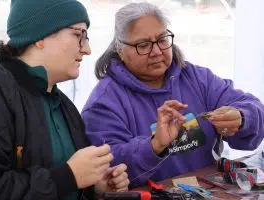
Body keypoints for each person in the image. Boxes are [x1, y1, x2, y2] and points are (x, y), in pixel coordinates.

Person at [81, 2, 264, 188]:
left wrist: (242, 117)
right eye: (143, 45)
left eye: (162, 40)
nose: (157, 52)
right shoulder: (104, 103)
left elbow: (253, 107)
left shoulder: (197, 79)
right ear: (120, 50)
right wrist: (154, 146)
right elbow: (108, 169)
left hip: (209, 191)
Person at [0, 0, 129, 199]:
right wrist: (68, 176)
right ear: (40, 36)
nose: (87, 49)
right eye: (78, 35)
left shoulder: (65, 107)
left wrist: (95, 189)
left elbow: (70, 185)